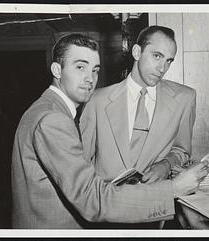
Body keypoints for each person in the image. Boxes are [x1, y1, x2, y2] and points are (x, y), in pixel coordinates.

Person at [11, 33, 209, 229]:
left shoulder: (48, 110)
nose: (90, 78)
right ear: (57, 70)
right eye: (80, 67)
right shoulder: (53, 119)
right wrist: (173, 189)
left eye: (95, 70)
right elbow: (91, 198)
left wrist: (166, 165)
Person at [81, 25, 196, 184]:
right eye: (157, 56)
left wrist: (166, 164)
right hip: (106, 202)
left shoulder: (184, 98)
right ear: (136, 52)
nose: (162, 68)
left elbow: (182, 150)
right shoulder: (97, 100)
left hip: (155, 202)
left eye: (168, 61)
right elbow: (81, 162)